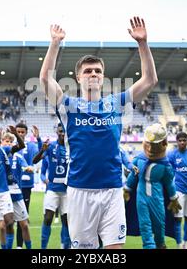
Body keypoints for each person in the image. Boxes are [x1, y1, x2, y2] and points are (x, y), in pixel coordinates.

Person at [39, 16, 158, 249]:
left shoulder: (117, 103)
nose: (93, 74)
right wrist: (55, 43)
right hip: (79, 190)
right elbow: (45, 78)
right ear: (78, 77)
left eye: (97, 71)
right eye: (87, 71)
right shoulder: (68, 106)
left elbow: (150, 79)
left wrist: (142, 43)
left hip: (113, 189)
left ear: (103, 77)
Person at [124, 123, 181, 249]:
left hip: (157, 198)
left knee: (159, 224)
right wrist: (127, 189)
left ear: (164, 143)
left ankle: (160, 243)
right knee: (144, 224)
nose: (150, 149)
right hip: (141, 198)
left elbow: (169, 183)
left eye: (154, 145)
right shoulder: (139, 159)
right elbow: (133, 175)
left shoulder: (165, 165)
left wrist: (173, 198)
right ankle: (149, 245)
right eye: (148, 144)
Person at [33, 123, 70, 249]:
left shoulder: (72, 147)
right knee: (48, 218)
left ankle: (64, 246)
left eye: (64, 131)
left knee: (66, 221)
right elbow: (35, 161)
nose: (62, 133)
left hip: (67, 191)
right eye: (60, 131)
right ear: (56, 132)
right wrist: (42, 149)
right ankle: (43, 248)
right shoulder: (51, 146)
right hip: (53, 189)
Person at [1, 132, 32, 249]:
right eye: (6, 141)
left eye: (10, 142)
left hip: (17, 193)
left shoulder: (18, 156)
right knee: (5, 226)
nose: (8, 143)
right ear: (1, 143)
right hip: (3, 193)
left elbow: (25, 166)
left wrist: (28, 168)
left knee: (24, 225)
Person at [14, 123, 41, 249]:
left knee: (22, 218)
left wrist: (39, 139)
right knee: (8, 219)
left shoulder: (31, 146)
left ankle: (19, 245)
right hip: (10, 186)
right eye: (18, 132)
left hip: (25, 186)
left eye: (22, 132)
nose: (20, 134)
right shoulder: (11, 147)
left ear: (26, 133)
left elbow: (39, 157)